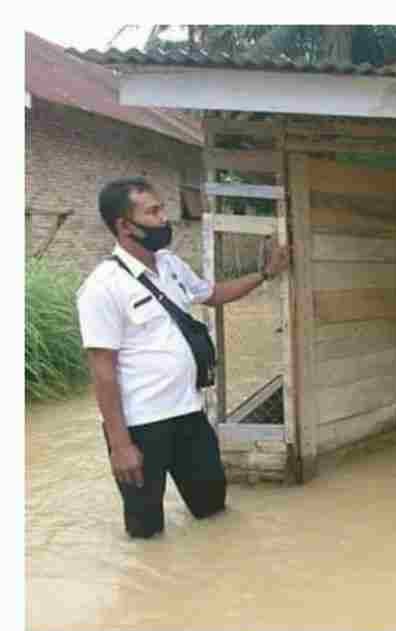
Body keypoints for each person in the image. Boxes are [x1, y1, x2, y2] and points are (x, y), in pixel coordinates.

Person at [76, 177, 290, 539]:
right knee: (146, 532)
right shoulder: (102, 287)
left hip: (189, 415)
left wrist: (266, 274)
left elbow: (214, 294)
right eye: (154, 211)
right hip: (141, 427)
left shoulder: (171, 265)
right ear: (124, 225)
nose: (164, 219)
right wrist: (121, 445)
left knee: (213, 509)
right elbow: (103, 372)